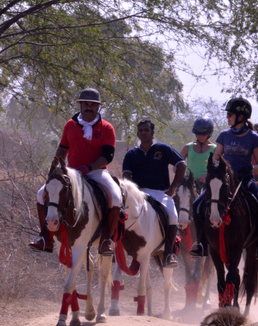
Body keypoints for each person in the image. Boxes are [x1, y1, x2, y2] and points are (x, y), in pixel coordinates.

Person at [29, 88, 122, 256]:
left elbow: (107, 156)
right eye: (86, 104)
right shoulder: (70, 125)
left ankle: (106, 240)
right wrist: (55, 169)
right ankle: (45, 237)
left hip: (97, 172)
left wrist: (90, 167)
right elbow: (62, 149)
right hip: (72, 171)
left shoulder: (107, 128)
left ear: (98, 107)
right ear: (80, 105)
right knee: (40, 194)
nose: (89, 107)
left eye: (93, 105)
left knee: (115, 197)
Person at [189, 97, 258, 259]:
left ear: (240, 117)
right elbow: (216, 158)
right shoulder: (224, 135)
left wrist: (251, 168)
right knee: (197, 205)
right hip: (224, 179)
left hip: (245, 179)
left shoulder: (253, 137)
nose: (227, 117)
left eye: (230, 115)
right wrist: (216, 168)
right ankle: (202, 243)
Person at [122, 119, 187, 268]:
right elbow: (126, 176)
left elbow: (181, 164)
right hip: (138, 194)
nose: (143, 133)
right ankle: (115, 248)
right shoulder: (132, 154)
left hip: (160, 193)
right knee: (122, 214)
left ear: (153, 132)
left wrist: (173, 188)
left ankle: (169, 254)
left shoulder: (162, 149)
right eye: (140, 130)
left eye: (146, 130)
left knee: (172, 216)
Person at [180, 116, 216, 192]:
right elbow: (177, 164)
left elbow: (217, 168)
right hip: (189, 185)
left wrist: (206, 176)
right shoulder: (188, 147)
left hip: (207, 186)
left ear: (209, 134)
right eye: (198, 134)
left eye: (204, 135)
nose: (201, 137)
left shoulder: (215, 149)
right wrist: (182, 176)